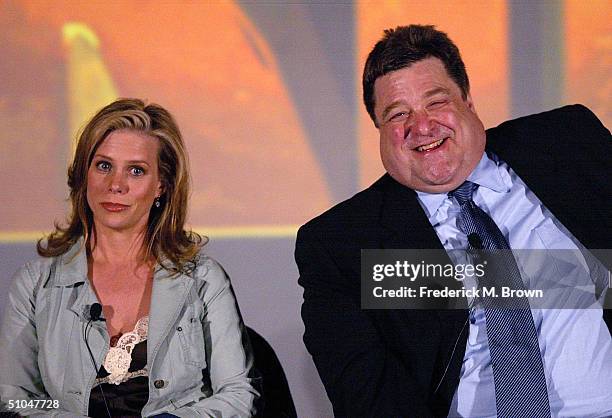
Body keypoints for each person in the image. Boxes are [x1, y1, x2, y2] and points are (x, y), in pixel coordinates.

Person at [295, 25, 612, 417]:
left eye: (436, 101)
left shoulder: (567, 144)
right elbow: (369, 397)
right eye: (398, 114)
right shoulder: (341, 244)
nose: (422, 126)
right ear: (378, 129)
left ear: (468, 100)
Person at [0, 98, 259, 417]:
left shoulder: (204, 279)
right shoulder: (35, 283)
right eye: (104, 166)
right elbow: (14, 399)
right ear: (84, 175)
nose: (115, 185)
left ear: (161, 186)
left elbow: (237, 395)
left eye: (136, 171)